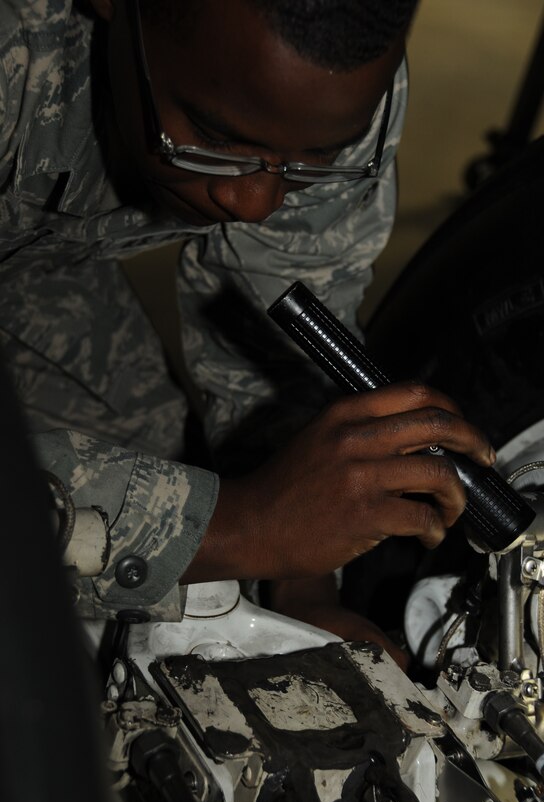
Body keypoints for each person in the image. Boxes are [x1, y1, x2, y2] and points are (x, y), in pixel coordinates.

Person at [0, 0, 494, 665]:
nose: (257, 202)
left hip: (33, 268)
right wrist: (244, 524)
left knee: (167, 524)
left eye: (316, 158)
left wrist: (300, 583)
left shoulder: (322, 82)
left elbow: (281, 322)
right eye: (211, 134)